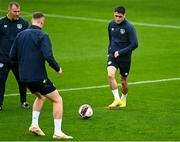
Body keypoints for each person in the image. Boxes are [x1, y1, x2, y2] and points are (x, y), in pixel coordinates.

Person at [9, 12, 73, 140]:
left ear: (32, 20)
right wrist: (57, 68)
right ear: (42, 22)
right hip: (37, 76)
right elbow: (48, 56)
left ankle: (34, 125)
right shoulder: (42, 35)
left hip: (24, 77)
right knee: (57, 99)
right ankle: (58, 132)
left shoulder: (20, 35)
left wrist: (24, 65)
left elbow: (11, 56)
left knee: (40, 96)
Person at [0, 1, 29, 111]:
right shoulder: (1, 23)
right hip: (3, 59)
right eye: (15, 11)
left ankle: (24, 101)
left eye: (18, 11)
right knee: (1, 80)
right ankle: (0, 103)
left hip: (18, 60)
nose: (17, 13)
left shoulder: (24, 23)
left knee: (22, 81)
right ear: (9, 10)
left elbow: (27, 40)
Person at [107, 6, 138, 108]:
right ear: (113, 14)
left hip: (124, 58)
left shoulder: (129, 27)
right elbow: (111, 40)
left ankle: (123, 98)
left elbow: (135, 44)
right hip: (112, 55)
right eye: (116, 16)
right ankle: (116, 99)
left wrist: (120, 52)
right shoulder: (111, 24)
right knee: (110, 75)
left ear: (124, 15)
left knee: (123, 81)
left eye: (120, 16)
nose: (118, 19)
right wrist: (109, 51)